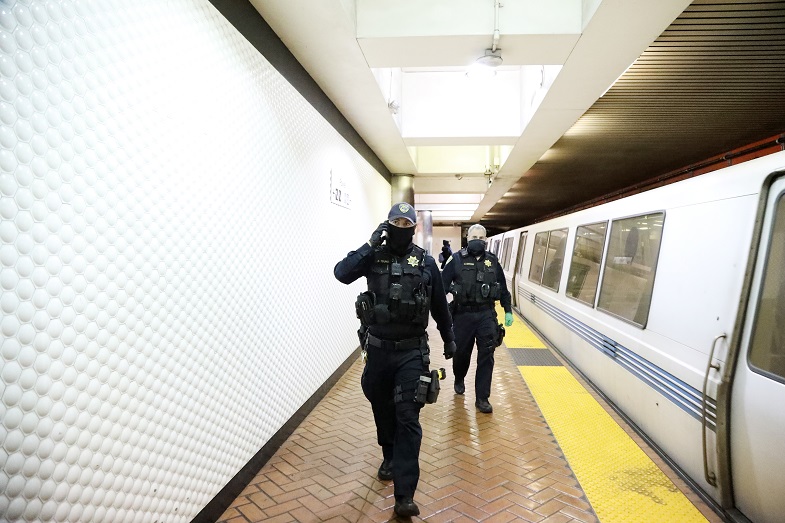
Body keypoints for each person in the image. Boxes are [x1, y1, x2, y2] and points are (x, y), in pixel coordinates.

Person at [334, 202, 457, 518]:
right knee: (382, 406)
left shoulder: (426, 263)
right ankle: (388, 453)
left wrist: (450, 337)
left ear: (414, 227)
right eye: (395, 222)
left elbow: (439, 306)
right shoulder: (373, 257)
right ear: (387, 225)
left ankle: (404, 494)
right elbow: (341, 273)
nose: (401, 226)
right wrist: (370, 244)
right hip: (376, 349)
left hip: (411, 353)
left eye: (407, 222)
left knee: (407, 416)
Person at [441, 224, 513, 414]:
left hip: (486, 315)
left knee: (486, 356)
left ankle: (482, 399)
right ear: (467, 238)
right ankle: (459, 377)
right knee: (461, 354)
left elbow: (503, 289)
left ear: (486, 240)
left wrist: (508, 310)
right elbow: (441, 286)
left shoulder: (492, 261)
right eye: (474, 237)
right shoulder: (456, 260)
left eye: (481, 238)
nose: (478, 240)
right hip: (462, 315)